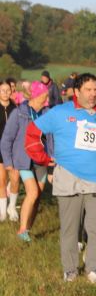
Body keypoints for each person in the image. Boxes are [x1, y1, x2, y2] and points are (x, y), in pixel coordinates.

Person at [24, 73, 96, 283]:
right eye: (88, 90)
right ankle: (70, 270)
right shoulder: (60, 112)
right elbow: (33, 132)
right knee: (70, 228)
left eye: (95, 90)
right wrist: (43, 157)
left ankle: (94, 269)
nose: (93, 94)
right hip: (68, 178)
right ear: (76, 92)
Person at [1, 82, 52, 242]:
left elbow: (51, 138)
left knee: (37, 197)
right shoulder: (19, 113)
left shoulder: (47, 113)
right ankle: (21, 230)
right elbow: (6, 139)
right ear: (35, 95)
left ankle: (28, 229)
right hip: (24, 160)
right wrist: (8, 162)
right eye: (44, 96)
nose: (47, 99)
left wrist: (52, 159)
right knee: (33, 193)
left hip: (41, 160)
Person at [0, 80, 20, 222]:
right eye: (3, 90)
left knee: (15, 179)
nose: (6, 93)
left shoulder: (16, 108)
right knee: (1, 180)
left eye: (8, 90)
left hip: (13, 149)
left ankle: (11, 207)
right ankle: (2, 212)